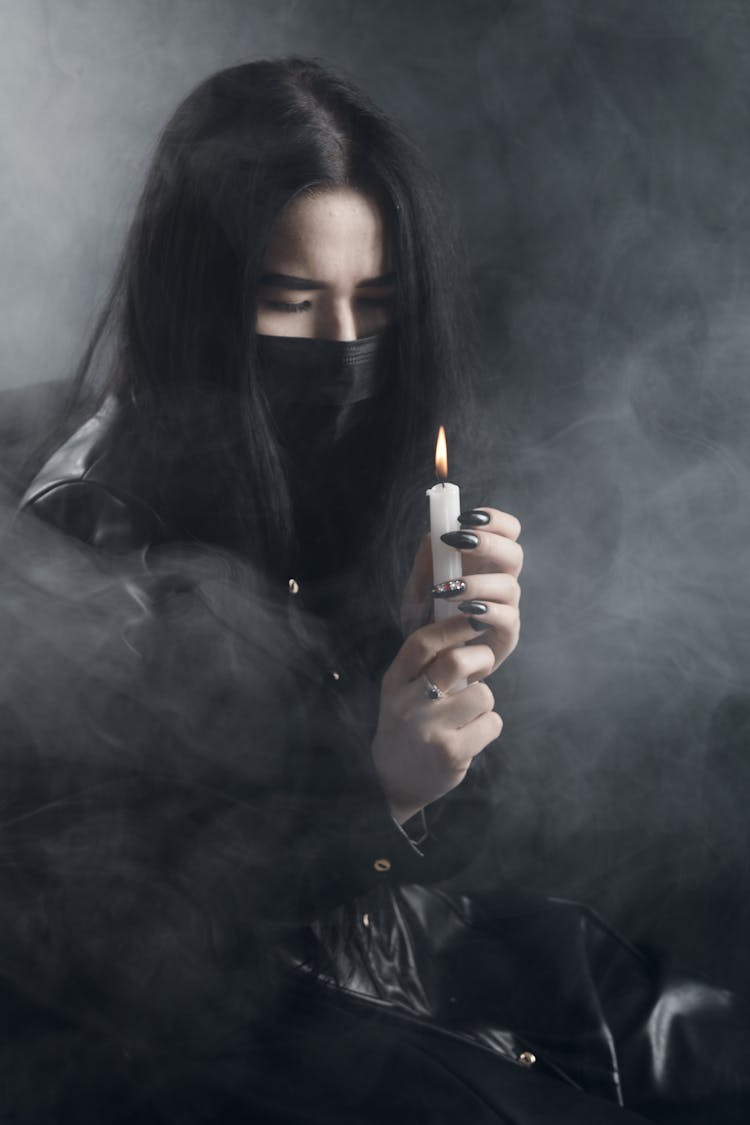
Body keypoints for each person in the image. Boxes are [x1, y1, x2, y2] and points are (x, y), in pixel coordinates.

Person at [10, 56, 750, 1123]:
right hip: (228, 1028)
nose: (343, 346)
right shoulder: (72, 521)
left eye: (375, 303)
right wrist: (380, 798)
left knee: (697, 1037)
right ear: (200, 298)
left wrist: (443, 675)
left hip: (401, 947)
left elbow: (440, 841)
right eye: (294, 301)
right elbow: (98, 922)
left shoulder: (359, 465)